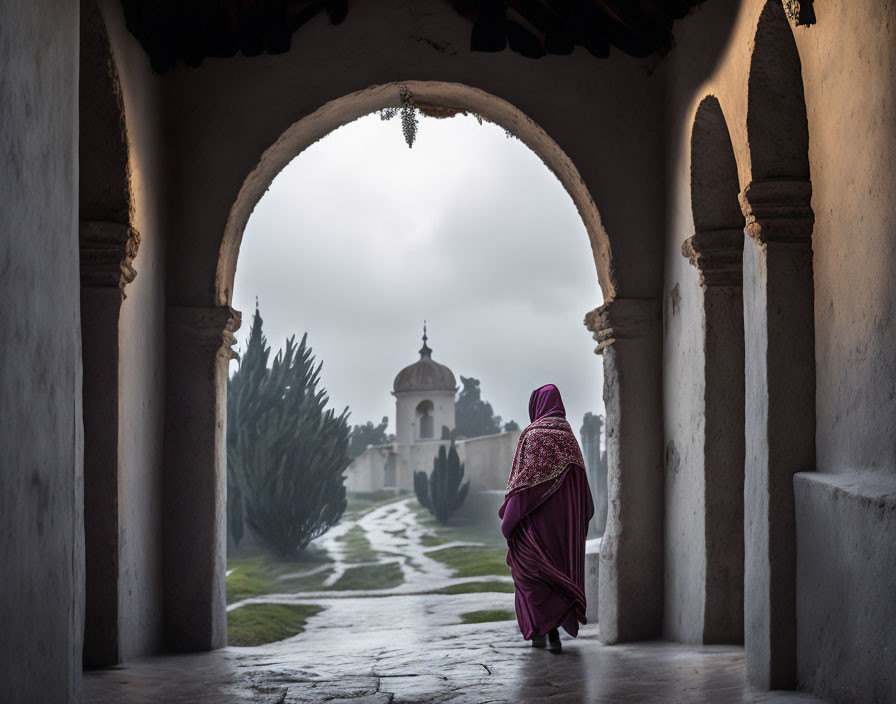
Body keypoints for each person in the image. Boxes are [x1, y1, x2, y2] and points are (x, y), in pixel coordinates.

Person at [498, 384, 594, 653]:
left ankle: (542, 632)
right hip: (563, 535)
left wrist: (509, 522)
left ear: (536, 406)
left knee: (531, 575)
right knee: (555, 579)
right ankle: (551, 636)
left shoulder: (533, 435)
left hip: (534, 530)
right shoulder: (570, 439)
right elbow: (585, 499)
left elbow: (523, 488)